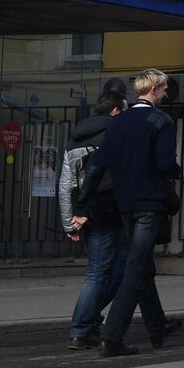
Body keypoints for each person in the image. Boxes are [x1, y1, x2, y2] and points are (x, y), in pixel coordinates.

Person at [73, 69, 182, 357]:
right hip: (150, 203)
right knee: (135, 268)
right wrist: (176, 172)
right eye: (165, 89)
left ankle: (157, 328)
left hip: (124, 203)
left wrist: (82, 207)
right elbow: (165, 164)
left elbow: (97, 168)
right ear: (157, 89)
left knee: (141, 266)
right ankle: (112, 336)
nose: (166, 94)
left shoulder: (118, 123)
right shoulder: (161, 120)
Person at [60, 92, 128, 349]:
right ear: (115, 111)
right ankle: (81, 328)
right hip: (111, 208)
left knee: (107, 270)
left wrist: (69, 221)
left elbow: (66, 185)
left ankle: (87, 321)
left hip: (85, 211)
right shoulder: (116, 134)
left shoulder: (74, 139)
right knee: (103, 272)